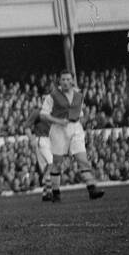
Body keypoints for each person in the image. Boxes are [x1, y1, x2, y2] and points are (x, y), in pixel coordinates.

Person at [39, 70, 105, 202]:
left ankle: (92, 189)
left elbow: (79, 114)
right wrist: (58, 121)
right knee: (57, 163)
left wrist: (87, 120)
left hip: (75, 128)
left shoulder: (79, 95)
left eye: (68, 79)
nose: (65, 82)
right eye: (63, 79)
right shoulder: (52, 96)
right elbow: (43, 114)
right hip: (58, 129)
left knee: (82, 159)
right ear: (59, 81)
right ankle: (56, 193)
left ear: (72, 81)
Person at [27, 104, 55, 200]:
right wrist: (31, 139)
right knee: (51, 163)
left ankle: (46, 193)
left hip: (49, 140)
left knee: (44, 168)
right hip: (41, 140)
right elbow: (26, 126)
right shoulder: (37, 112)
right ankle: (45, 182)